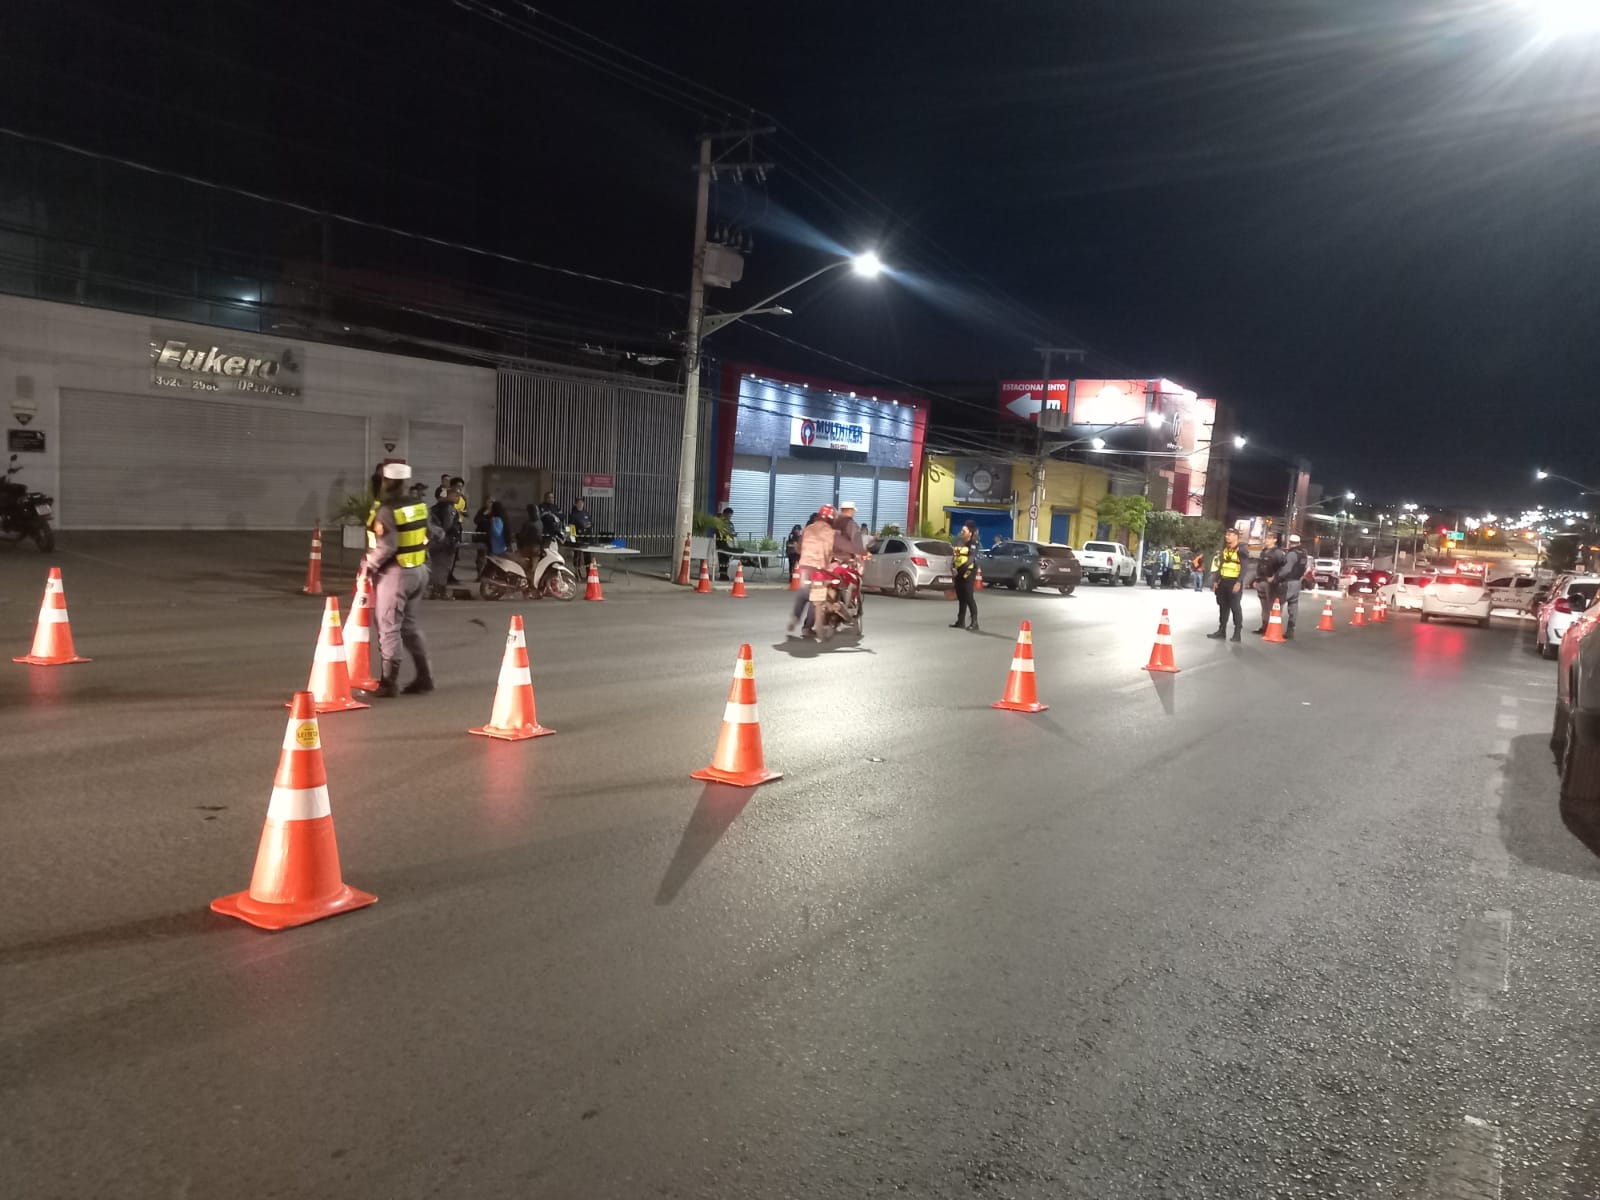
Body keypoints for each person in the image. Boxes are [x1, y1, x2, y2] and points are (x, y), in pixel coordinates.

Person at [360, 462, 434, 697]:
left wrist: (367, 566)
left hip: (397, 573)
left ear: (386, 483)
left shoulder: (386, 510)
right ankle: (425, 677)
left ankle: (389, 683)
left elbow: (387, 546)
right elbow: (429, 534)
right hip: (419, 570)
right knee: (409, 627)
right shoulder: (420, 506)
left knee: (389, 627)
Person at [790, 507, 836, 636]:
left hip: (804, 566)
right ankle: (807, 628)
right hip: (819, 568)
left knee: (803, 592)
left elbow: (798, 548)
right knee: (816, 599)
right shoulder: (831, 533)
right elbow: (832, 552)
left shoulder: (808, 529)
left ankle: (795, 617)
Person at [1207, 528, 1249, 641]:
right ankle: (1222, 631)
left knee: (1235, 608)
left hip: (1234, 582)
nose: (1227, 536)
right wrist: (1216, 581)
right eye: (1226, 534)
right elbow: (1221, 566)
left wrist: (1239, 582)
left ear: (1236, 536)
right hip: (1223, 582)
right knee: (1223, 607)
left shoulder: (1242, 550)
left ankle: (1237, 633)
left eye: (1229, 535)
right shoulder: (1225, 549)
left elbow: (1244, 567)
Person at [427, 484, 462, 599]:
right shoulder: (449, 509)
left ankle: (435, 591)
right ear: (450, 495)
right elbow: (448, 526)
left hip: (434, 542)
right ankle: (439, 592)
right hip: (444, 543)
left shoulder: (435, 507)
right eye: (457, 494)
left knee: (436, 567)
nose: (458, 497)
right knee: (443, 568)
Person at [1277, 533, 1310, 639]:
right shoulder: (1303, 554)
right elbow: (1305, 568)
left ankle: (1275, 629)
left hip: (1288, 582)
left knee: (1278, 604)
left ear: (1290, 543)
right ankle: (1290, 631)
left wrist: (1277, 577)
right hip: (1297, 582)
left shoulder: (1292, 554)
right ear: (1299, 543)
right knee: (1293, 607)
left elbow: (1286, 569)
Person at [1254, 533, 1286, 635]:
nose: (1267, 540)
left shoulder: (1278, 553)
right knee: (1264, 606)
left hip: (1271, 584)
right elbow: (1259, 566)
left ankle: (1272, 628)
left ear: (1275, 540)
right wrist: (1256, 580)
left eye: (1269, 538)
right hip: (1261, 581)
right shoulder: (1264, 552)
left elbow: (1283, 568)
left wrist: (1275, 577)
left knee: (1272, 605)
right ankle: (1264, 627)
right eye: (1266, 538)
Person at [951, 521, 980, 632]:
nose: (961, 532)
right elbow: (955, 556)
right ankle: (960, 621)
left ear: (970, 533)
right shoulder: (959, 542)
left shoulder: (973, 543)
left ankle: (974, 622)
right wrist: (953, 567)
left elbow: (970, 560)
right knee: (961, 596)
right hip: (958, 571)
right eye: (962, 530)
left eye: (964, 531)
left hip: (968, 571)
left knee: (968, 596)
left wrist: (960, 570)